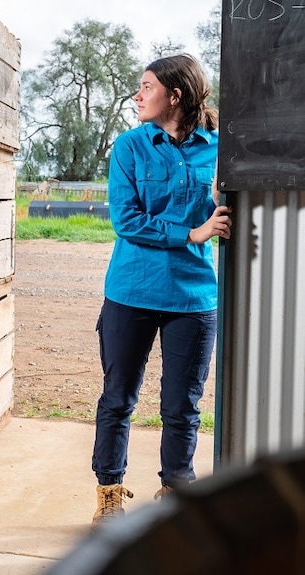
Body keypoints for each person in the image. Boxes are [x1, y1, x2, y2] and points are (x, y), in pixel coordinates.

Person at [90, 54, 232, 528]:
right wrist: (192, 233)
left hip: (193, 298)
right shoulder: (129, 147)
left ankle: (177, 495)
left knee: (182, 406)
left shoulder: (220, 150)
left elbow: (230, 211)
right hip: (131, 292)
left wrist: (218, 216)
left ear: (175, 95)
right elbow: (126, 220)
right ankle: (109, 492)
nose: (137, 94)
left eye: (146, 86)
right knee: (118, 398)